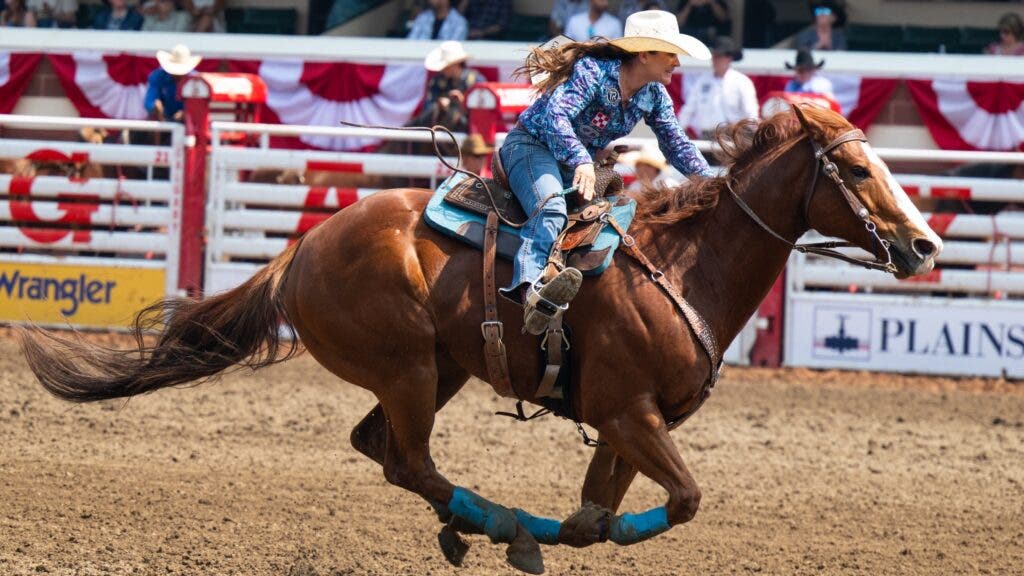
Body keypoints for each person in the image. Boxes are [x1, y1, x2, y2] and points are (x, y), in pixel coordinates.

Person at [502, 9, 715, 334]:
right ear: (645, 54)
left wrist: (710, 182)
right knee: (552, 207)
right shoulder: (593, 72)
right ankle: (530, 290)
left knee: (614, 221)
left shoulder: (654, 95)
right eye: (671, 54)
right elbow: (554, 117)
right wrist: (581, 159)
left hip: (576, 161)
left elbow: (676, 143)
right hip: (532, 147)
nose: (677, 62)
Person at [676, 36, 758, 139]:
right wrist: (678, 132)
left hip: (733, 136)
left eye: (719, 56)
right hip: (706, 135)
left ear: (729, 58)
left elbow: (750, 112)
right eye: (714, 55)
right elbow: (688, 109)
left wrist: (753, 135)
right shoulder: (702, 81)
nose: (715, 59)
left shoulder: (741, 81)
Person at [409, 41, 481, 133]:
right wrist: (440, 105)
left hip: (470, 130)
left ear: (456, 64)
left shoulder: (476, 81)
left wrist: (463, 102)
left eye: (446, 66)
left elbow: (481, 112)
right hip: (440, 129)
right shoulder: (437, 81)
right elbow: (427, 110)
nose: (442, 69)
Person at [144, 44, 201, 123]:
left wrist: (187, 113)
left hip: (188, 125)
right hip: (162, 122)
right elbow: (149, 101)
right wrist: (155, 107)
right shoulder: (158, 76)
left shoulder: (196, 80)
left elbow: (199, 106)